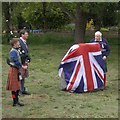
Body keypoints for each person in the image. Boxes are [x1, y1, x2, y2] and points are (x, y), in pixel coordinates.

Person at [6, 38, 27, 106]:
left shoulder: (16, 50)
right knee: (14, 89)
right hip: (14, 70)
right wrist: (22, 66)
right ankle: (14, 101)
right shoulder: (13, 51)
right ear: (14, 44)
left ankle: (17, 101)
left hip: (16, 70)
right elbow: (16, 61)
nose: (19, 44)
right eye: (18, 43)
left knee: (17, 88)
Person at [18, 29, 31, 95]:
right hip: (21, 61)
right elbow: (19, 53)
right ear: (22, 35)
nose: (27, 35)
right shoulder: (19, 42)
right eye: (26, 34)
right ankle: (19, 90)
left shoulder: (24, 42)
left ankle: (22, 89)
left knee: (23, 75)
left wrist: (28, 59)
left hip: (25, 61)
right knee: (20, 75)